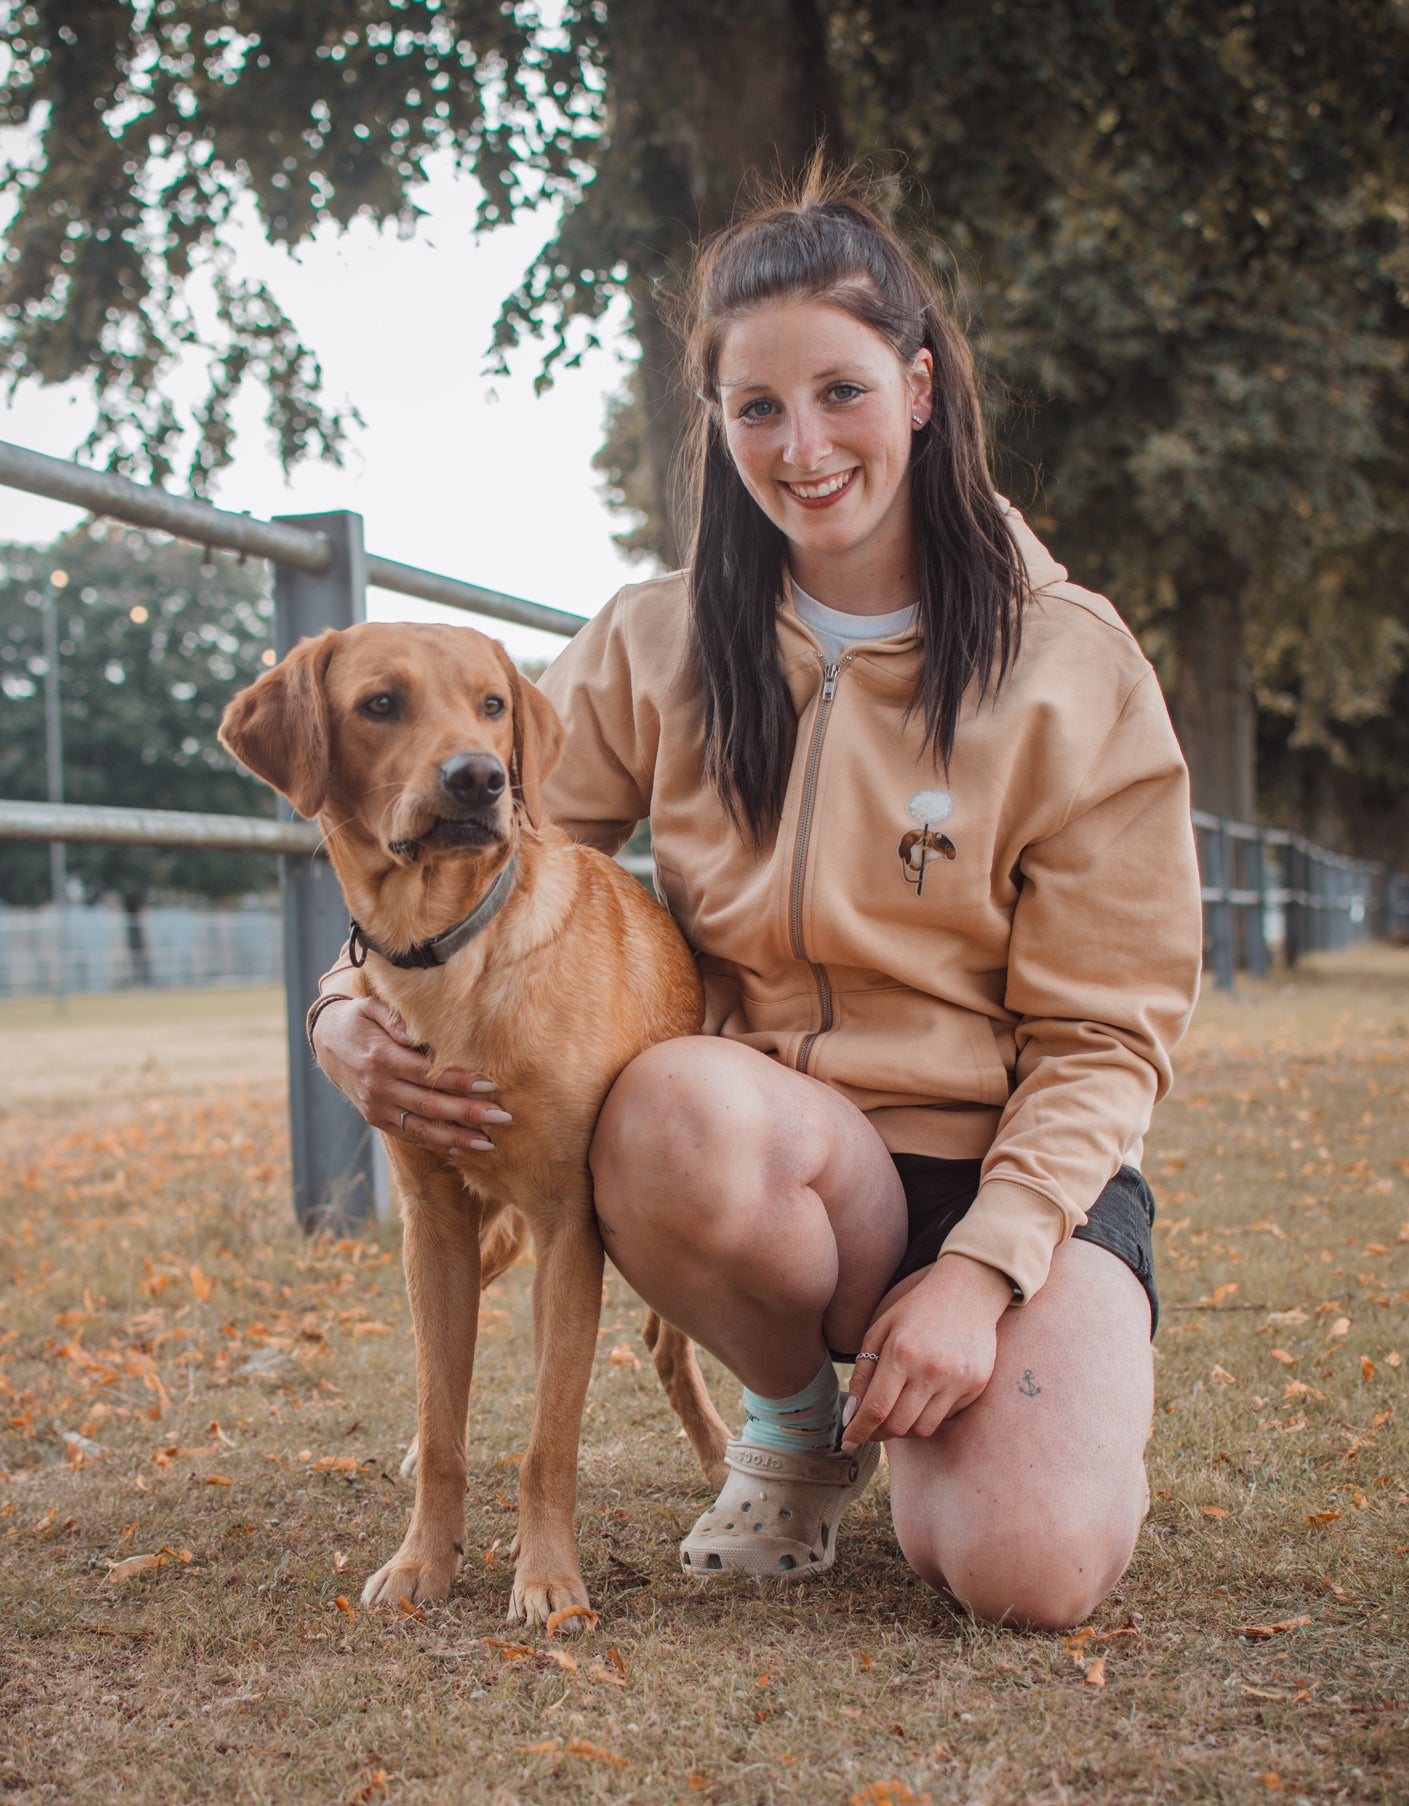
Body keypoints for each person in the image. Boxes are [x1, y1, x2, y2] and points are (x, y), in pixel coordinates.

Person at [309, 168, 1202, 1630]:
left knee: (1024, 1567)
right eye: (757, 410)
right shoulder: (649, 641)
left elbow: (1109, 1037)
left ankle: (1029, 1411)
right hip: (776, 1169)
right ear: (716, 426)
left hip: (1009, 1171)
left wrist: (980, 1269)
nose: (804, 448)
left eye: (841, 392)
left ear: (918, 387)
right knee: (664, 1097)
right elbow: (468, 855)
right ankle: (790, 1422)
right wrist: (345, 1005)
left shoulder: (1070, 663)